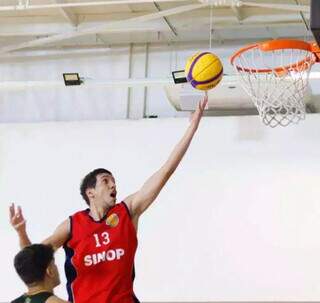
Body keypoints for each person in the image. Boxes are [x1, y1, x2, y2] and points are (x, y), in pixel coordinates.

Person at [9, 97, 208, 303]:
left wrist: (192, 129)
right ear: (90, 192)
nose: (113, 185)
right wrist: (21, 233)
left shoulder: (127, 211)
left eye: (114, 181)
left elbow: (165, 171)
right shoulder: (72, 225)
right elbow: (32, 263)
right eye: (106, 181)